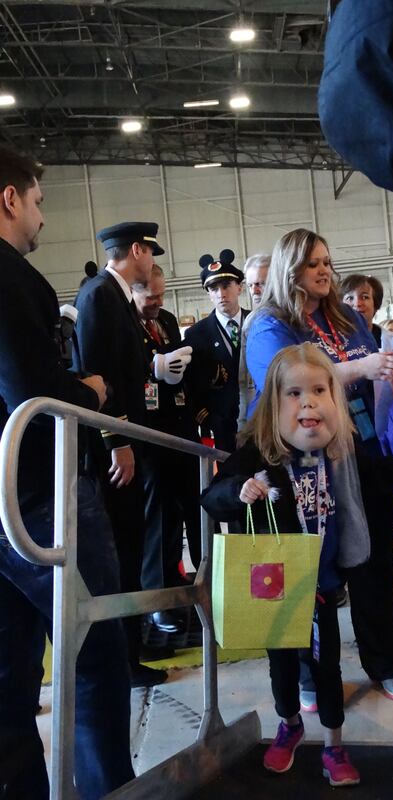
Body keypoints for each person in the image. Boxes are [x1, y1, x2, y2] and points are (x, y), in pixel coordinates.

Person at [200, 344, 393, 786]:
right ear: (273, 405)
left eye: (319, 390)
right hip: (274, 588)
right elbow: (212, 497)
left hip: (322, 584)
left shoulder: (343, 451)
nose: (308, 402)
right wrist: (240, 490)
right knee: (282, 666)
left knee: (327, 666)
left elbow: (378, 474)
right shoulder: (260, 453)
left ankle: (334, 743)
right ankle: (290, 723)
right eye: (294, 394)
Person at [0, 147, 134, 797]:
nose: (42, 219)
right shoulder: (15, 278)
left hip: (1, 508)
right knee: (96, 661)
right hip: (40, 497)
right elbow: (31, 391)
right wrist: (93, 392)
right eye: (38, 202)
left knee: (9, 679)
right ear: (9, 199)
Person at [245, 228, 393, 707]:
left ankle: (384, 662)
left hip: (361, 451)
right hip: (301, 463)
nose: (324, 270)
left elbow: (370, 368)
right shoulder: (269, 324)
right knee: (306, 573)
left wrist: (390, 369)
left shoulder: (343, 318)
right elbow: (286, 379)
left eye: (326, 261)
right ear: (290, 268)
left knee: (374, 563)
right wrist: (363, 369)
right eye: (312, 263)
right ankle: (310, 676)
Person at [75, 221, 170, 688]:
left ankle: (131, 653)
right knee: (121, 554)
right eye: (150, 253)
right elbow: (96, 375)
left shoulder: (112, 297)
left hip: (128, 444)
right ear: (136, 250)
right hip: (116, 451)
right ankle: (123, 661)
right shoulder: (99, 296)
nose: (153, 263)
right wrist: (119, 442)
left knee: (132, 550)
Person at [132, 264, 199, 631]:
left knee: (177, 513)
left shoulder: (167, 320)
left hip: (178, 429)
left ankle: (175, 585)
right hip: (148, 434)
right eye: (150, 296)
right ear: (134, 291)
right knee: (156, 516)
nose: (157, 302)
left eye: (161, 294)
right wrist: (151, 368)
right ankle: (156, 598)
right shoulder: (127, 322)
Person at [184, 250, 250, 454]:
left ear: (239, 287)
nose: (221, 294)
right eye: (213, 288)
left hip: (261, 417)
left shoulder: (258, 322)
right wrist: (209, 418)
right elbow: (191, 384)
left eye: (226, 286)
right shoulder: (196, 334)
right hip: (222, 426)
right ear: (208, 294)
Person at [238, 253, 271, 428]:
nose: (254, 291)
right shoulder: (251, 322)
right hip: (265, 411)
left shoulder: (296, 314)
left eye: (260, 284)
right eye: (250, 285)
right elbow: (245, 380)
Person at [340, 273, 385, 346]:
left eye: (364, 297)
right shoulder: (332, 343)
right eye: (350, 298)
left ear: (376, 304)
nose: (357, 303)